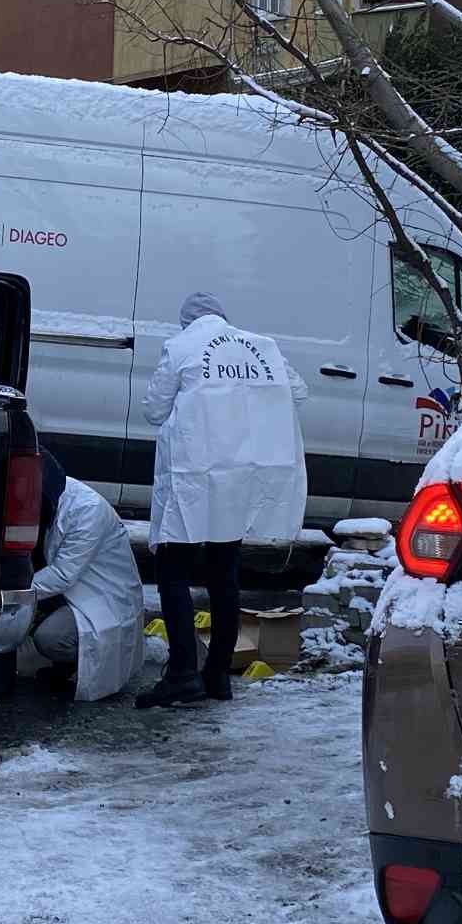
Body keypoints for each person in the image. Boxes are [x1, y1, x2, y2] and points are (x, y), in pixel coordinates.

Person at [135, 292, 308, 710]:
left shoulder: (181, 348)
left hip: (194, 477)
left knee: (173, 571)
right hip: (239, 477)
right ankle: (217, 676)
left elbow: (153, 410)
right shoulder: (261, 347)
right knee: (223, 575)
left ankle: (181, 676)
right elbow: (297, 393)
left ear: (187, 323)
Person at [29, 447, 146, 701]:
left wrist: (10, 592)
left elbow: (63, 575)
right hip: (74, 592)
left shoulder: (87, 510)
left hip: (103, 600)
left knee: (50, 638)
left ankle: (74, 665)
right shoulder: (54, 494)